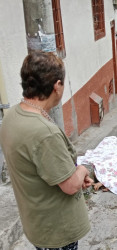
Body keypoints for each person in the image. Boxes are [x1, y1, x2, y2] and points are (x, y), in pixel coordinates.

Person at [0, 52, 92, 249]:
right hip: (56, 229)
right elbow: (70, 186)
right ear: (57, 86)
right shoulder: (45, 133)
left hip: (36, 222)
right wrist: (83, 169)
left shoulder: (12, 116)